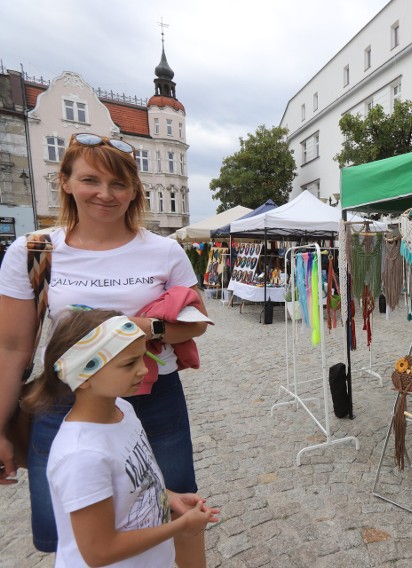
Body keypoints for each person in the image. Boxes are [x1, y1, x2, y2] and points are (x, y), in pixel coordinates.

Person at [0, 132, 210, 566]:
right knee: (72, 529)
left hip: (152, 399)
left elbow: (194, 327)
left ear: (134, 190)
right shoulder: (34, 251)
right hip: (63, 402)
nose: (105, 194)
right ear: (66, 181)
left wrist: (141, 328)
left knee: (169, 507)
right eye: (91, 180)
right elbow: (12, 347)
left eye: (119, 184)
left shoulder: (165, 250)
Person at [20, 309, 218, 567]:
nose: (143, 370)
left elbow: (138, 481)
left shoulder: (122, 410)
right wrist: (179, 527)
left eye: (142, 357)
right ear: (84, 375)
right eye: (128, 363)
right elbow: (99, 551)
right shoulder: (82, 456)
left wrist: (170, 497)